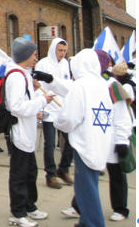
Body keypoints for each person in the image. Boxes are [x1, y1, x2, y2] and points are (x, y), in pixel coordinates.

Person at [55, 49, 115, 227]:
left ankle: (93, 223)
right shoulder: (102, 83)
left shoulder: (80, 85)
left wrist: (58, 122)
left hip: (85, 141)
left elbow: (69, 117)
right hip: (100, 139)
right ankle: (85, 221)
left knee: (86, 189)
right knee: (88, 185)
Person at [6, 37, 55, 227]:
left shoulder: (23, 74)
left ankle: (29, 206)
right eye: (34, 54)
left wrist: (35, 95)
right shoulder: (17, 76)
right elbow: (16, 106)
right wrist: (42, 101)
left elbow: (25, 100)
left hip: (27, 133)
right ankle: (18, 213)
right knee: (19, 174)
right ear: (25, 55)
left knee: (30, 172)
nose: (36, 57)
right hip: (19, 133)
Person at [33, 38, 74, 189]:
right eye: (60, 50)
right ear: (53, 49)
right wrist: (40, 108)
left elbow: (67, 85)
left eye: (64, 50)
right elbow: (37, 87)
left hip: (62, 108)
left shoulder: (66, 64)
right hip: (48, 109)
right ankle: (50, 175)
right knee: (50, 143)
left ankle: (63, 169)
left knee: (70, 140)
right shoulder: (43, 64)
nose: (62, 53)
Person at [105, 62, 134, 222]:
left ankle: (120, 208)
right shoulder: (90, 83)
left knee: (116, 175)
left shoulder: (114, 86)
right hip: (96, 139)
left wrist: (122, 140)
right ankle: (78, 206)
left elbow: (123, 115)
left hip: (113, 139)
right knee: (88, 176)